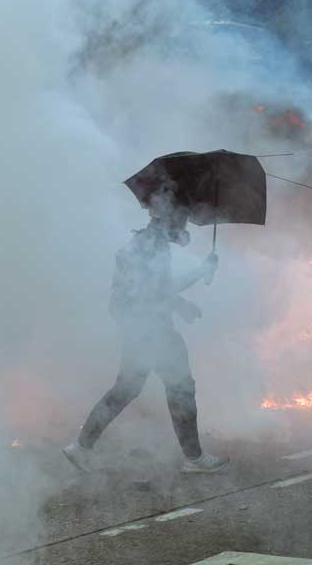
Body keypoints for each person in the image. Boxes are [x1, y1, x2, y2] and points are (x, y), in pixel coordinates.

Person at [64, 196, 228, 472]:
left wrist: (182, 305)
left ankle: (80, 447)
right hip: (152, 330)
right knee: (181, 388)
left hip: (138, 328)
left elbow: (152, 289)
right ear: (168, 218)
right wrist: (202, 271)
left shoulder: (148, 243)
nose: (184, 224)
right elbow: (157, 290)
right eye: (181, 218)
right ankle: (195, 458)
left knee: (127, 388)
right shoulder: (151, 247)